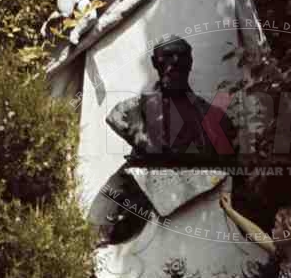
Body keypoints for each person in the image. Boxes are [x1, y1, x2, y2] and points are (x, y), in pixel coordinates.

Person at [91, 35, 236, 247]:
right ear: (154, 62)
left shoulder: (213, 117)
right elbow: (116, 118)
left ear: (190, 62)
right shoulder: (130, 110)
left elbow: (227, 140)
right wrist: (145, 141)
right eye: (167, 56)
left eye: (182, 56)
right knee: (100, 217)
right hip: (138, 191)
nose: (175, 62)